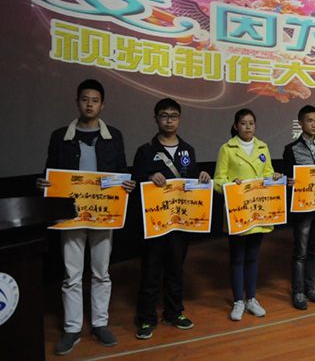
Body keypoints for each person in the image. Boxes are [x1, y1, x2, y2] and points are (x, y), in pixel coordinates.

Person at [36, 79, 135, 356]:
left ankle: (100, 324)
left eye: (94, 100)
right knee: (72, 274)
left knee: (102, 272)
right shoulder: (60, 136)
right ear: (77, 102)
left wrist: (127, 184)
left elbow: (120, 171)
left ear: (102, 105)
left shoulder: (114, 136)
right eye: (84, 99)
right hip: (70, 215)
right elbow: (51, 172)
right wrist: (43, 183)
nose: (89, 104)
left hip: (103, 214)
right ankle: (72, 328)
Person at [133, 98, 211, 339]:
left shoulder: (188, 150)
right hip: (156, 223)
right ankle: (146, 318)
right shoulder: (145, 151)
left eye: (173, 116)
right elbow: (134, 183)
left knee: (176, 268)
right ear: (156, 118)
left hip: (180, 222)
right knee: (151, 269)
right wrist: (148, 177)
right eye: (164, 115)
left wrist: (202, 177)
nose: (169, 120)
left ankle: (174, 312)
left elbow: (191, 182)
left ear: (179, 119)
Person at [214, 109, 283, 320]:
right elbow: (218, 180)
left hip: (259, 210)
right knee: (237, 258)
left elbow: (267, 173)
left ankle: (251, 299)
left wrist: (274, 177)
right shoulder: (227, 148)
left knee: (252, 256)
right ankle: (238, 301)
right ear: (236, 126)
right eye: (243, 123)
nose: (248, 127)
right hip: (238, 211)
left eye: (251, 123)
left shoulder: (263, 147)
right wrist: (231, 185)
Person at [283, 105, 315, 310]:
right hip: (302, 207)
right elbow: (286, 178)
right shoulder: (291, 148)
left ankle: (311, 288)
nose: (314, 124)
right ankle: (298, 291)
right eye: (310, 120)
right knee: (300, 251)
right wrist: (288, 181)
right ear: (301, 123)